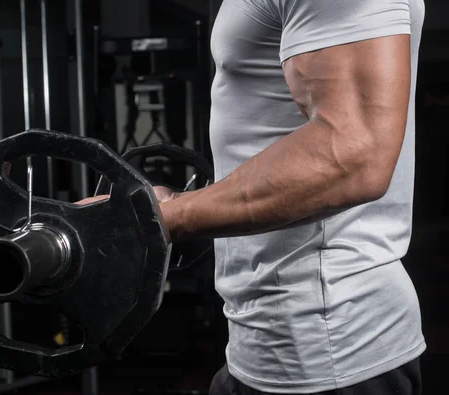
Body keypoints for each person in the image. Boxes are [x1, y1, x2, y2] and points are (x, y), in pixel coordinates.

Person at [80, 0, 426, 393]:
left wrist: (162, 217)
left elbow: (352, 155)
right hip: (264, 344)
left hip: (329, 346)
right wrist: (171, 203)